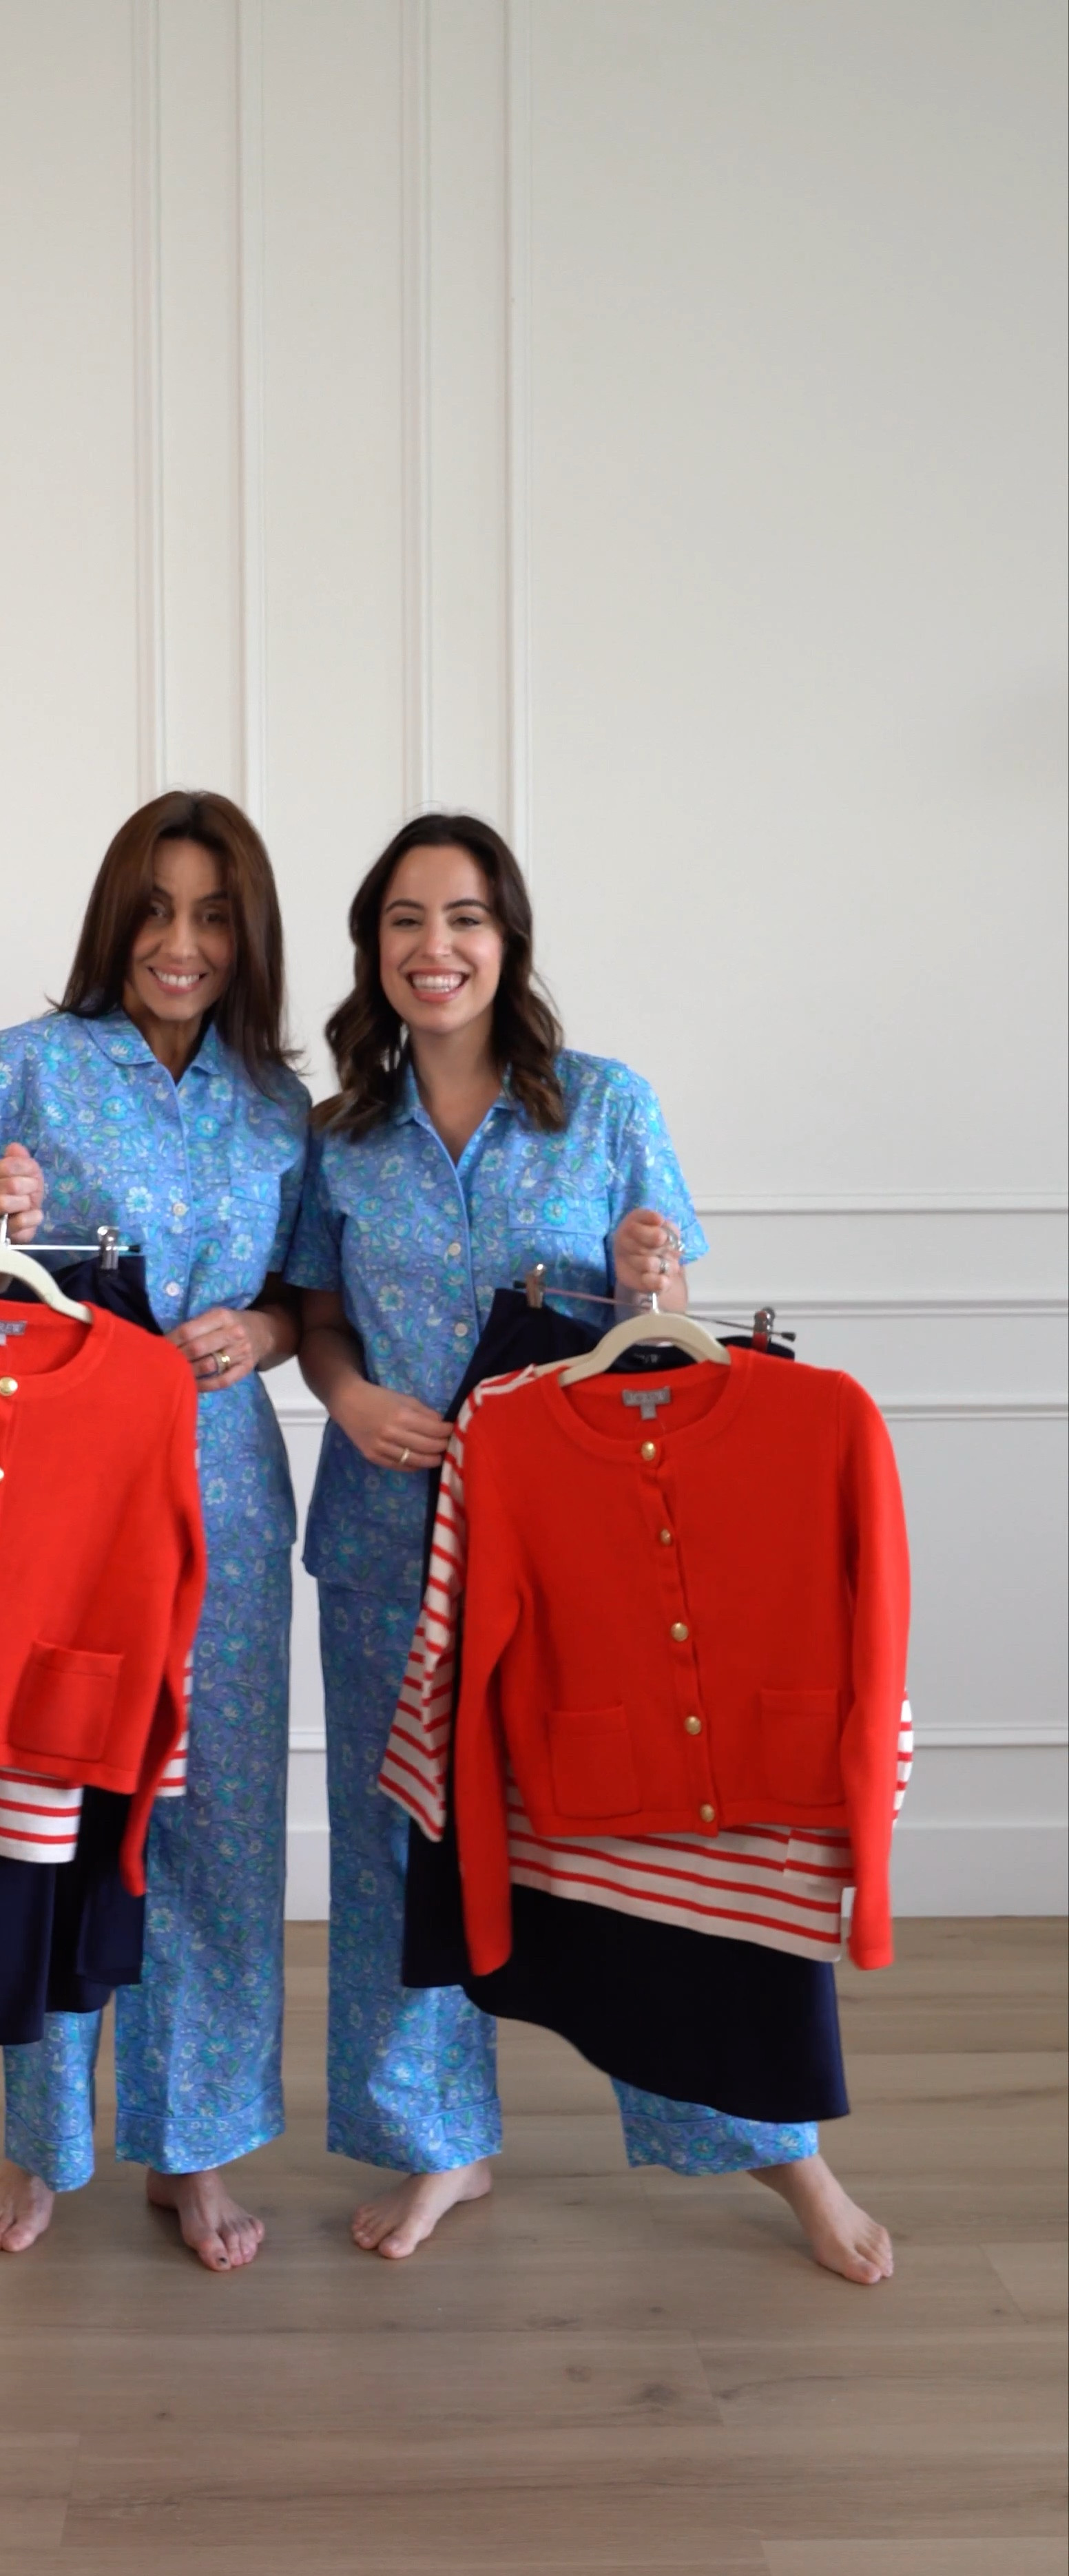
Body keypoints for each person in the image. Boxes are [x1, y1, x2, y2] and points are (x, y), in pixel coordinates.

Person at [288, 811, 893, 2283]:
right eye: (408, 921)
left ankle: (771, 2144)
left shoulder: (607, 1104)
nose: (439, 948)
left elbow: (676, 1322)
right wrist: (351, 1391)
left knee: (643, 1834)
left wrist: (652, 1271)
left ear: (511, 941)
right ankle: (443, 2142)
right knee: (403, 1845)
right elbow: (315, 1314)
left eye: (469, 918)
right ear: (374, 949)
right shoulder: (340, 1139)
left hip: (585, 1545)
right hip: (389, 1529)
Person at [0, 792, 309, 2271]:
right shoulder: (14, 1069)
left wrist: (260, 1325)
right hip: (61, 1493)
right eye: (158, 909)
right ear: (117, 916)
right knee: (60, 1814)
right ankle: (46, 2137)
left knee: (214, 1823)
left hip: (220, 1484)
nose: (183, 943)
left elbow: (310, 1296)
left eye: (214, 915)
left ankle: (191, 2148)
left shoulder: (278, 1100)